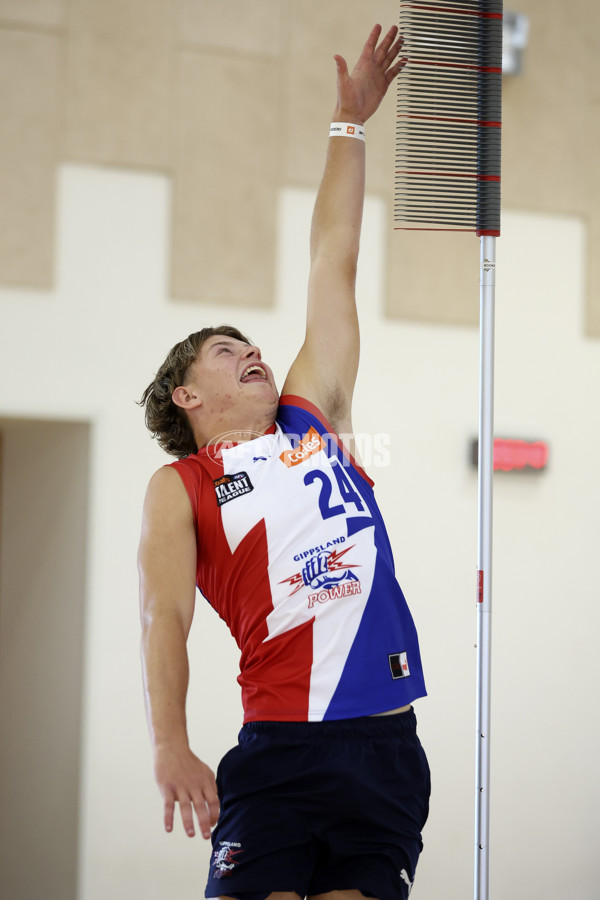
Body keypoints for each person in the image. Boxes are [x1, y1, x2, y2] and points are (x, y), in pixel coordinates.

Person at [138, 24, 430, 900]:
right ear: (187, 398)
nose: (252, 352)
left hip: (387, 744)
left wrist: (349, 124)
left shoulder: (314, 414)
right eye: (225, 353)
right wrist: (168, 742)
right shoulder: (180, 486)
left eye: (250, 343)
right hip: (282, 746)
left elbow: (330, 259)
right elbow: (163, 618)